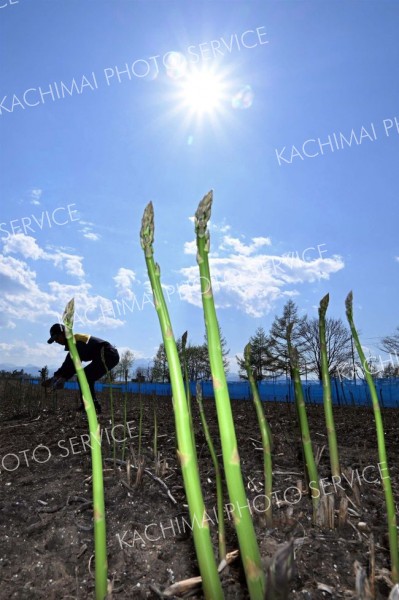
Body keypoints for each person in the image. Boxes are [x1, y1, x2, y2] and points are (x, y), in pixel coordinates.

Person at [43, 323, 119, 414]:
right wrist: (55, 378)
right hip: (108, 355)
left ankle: (91, 407)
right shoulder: (73, 342)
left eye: (57, 338)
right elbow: (68, 363)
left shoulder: (76, 342)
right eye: (54, 340)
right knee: (86, 377)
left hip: (108, 355)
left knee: (84, 377)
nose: (56, 341)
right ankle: (89, 406)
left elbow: (73, 365)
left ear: (64, 333)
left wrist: (62, 378)